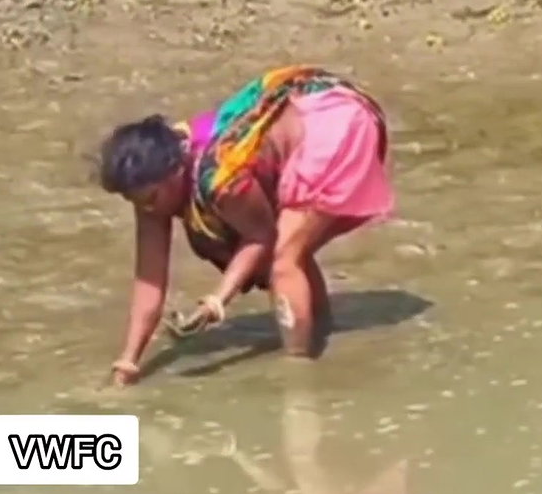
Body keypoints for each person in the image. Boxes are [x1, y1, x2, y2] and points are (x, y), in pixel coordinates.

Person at [96, 65, 394, 386]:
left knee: (285, 256)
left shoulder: (220, 175)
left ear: (175, 170)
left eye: (152, 198)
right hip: (304, 115)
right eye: (136, 201)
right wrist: (127, 363)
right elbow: (149, 282)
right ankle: (318, 328)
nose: (146, 208)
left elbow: (260, 237)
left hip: (334, 120)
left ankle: (299, 377)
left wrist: (216, 301)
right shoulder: (149, 187)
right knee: (292, 251)